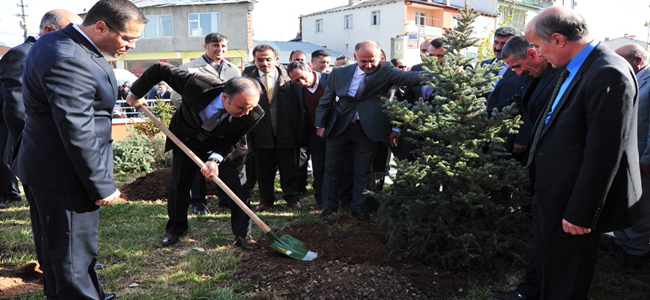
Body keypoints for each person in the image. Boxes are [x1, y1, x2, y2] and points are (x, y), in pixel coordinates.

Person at [12, 1, 146, 299]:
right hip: (64, 173)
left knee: (58, 251)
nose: (131, 46)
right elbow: (76, 128)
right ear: (100, 27)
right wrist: (102, 184)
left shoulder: (57, 42)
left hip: (47, 167)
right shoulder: (69, 55)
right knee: (72, 255)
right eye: (127, 38)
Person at [524, 6, 641, 299]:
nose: (537, 54)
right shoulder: (577, 67)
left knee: (567, 280)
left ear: (559, 40)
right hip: (553, 194)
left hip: (572, 205)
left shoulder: (608, 72)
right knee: (551, 268)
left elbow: (604, 152)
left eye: (538, 46)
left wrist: (582, 212)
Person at [127, 63, 264, 250]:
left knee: (238, 187)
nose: (246, 112)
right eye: (241, 108)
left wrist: (215, 160)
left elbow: (232, 140)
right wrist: (136, 93)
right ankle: (175, 228)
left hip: (226, 142)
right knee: (179, 184)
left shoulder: (253, 113)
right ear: (225, 97)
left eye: (250, 107)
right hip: (187, 138)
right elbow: (160, 69)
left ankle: (243, 233)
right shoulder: (197, 85)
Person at [488, 35, 562, 300]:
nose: (517, 73)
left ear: (532, 53)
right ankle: (532, 287)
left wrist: (522, 138)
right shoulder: (533, 76)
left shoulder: (561, 76)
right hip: (540, 166)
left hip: (555, 169)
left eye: (518, 66)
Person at [315, 40, 422, 222]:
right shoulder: (339, 72)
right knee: (332, 169)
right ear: (355, 57)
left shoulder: (386, 70)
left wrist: (442, 74)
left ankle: (358, 208)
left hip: (368, 129)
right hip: (339, 127)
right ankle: (329, 208)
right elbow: (327, 99)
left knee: (363, 171)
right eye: (363, 61)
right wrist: (320, 124)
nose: (368, 65)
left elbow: (411, 78)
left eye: (372, 60)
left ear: (380, 57)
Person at [171, 32, 242, 214]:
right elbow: (176, 97)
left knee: (222, 159)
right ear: (206, 47)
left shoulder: (233, 70)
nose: (220, 50)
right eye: (215, 46)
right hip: (197, 126)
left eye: (223, 46)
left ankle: (224, 199)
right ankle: (198, 202)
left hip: (223, 125)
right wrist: (199, 113)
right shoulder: (190, 68)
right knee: (197, 163)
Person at [242, 44, 303, 212]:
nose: (264, 63)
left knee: (289, 167)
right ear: (254, 60)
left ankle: (292, 198)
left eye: (268, 59)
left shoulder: (289, 77)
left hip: (286, 130)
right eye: (259, 60)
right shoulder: (247, 77)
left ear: (276, 59)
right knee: (263, 168)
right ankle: (266, 199)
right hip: (260, 132)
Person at [613, 43, 650, 270]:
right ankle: (622, 241)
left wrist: (648, 156)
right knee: (623, 199)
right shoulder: (630, 78)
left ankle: (637, 251)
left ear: (637, 61)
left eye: (622, 59)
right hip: (625, 154)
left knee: (642, 204)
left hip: (642, 158)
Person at [481, 27, 526, 161]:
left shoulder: (522, 68)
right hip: (482, 130)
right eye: (496, 42)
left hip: (508, 134)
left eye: (504, 44)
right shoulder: (484, 65)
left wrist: (523, 137)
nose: (498, 47)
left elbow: (526, 102)